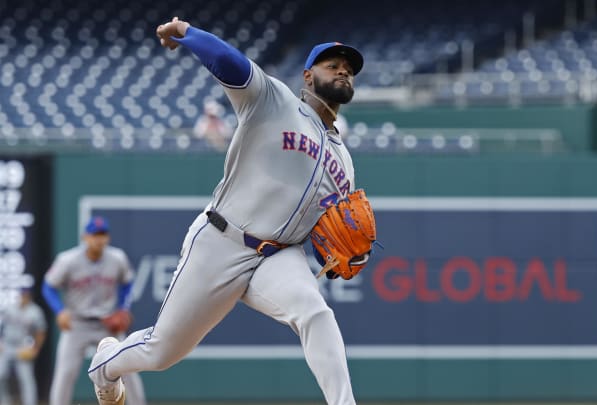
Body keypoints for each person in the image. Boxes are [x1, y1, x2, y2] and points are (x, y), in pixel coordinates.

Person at [87, 16, 365, 405]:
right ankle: (105, 365)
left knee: (315, 312)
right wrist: (187, 34)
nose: (342, 72)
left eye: (349, 70)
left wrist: (343, 254)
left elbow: (325, 231)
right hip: (223, 239)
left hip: (280, 256)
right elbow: (231, 64)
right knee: (163, 351)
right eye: (332, 65)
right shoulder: (275, 100)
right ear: (308, 76)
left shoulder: (344, 161)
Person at [43, 216, 146, 405]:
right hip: (77, 324)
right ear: (85, 237)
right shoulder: (68, 260)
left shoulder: (117, 258)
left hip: (107, 325)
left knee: (129, 369)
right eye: (95, 235)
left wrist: (124, 308)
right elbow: (48, 286)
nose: (99, 239)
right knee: (65, 374)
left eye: (103, 234)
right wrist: (59, 311)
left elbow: (128, 283)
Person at [0, 286, 46, 405]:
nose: (23, 297)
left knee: (26, 379)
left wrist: (35, 349)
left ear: (29, 296)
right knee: (1, 375)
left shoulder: (35, 311)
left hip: (23, 347)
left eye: (26, 295)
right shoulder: (9, 308)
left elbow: (41, 332)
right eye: (22, 295)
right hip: (7, 346)